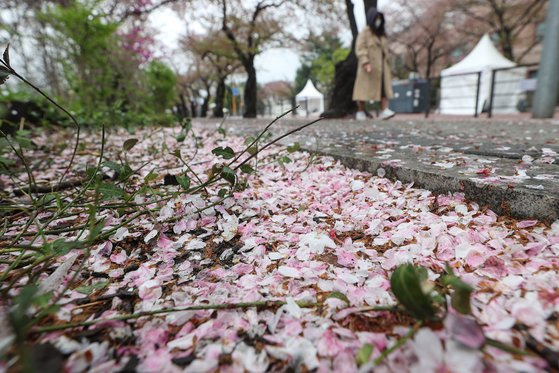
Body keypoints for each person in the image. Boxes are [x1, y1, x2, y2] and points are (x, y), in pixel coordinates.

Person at [352, 8, 395, 120]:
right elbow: (360, 48)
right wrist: (365, 62)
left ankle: (384, 110)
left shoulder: (382, 35)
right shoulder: (365, 33)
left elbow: (386, 51)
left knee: (383, 89)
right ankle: (360, 111)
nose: (378, 21)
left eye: (380, 19)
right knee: (363, 89)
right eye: (376, 19)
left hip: (382, 68)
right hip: (368, 66)